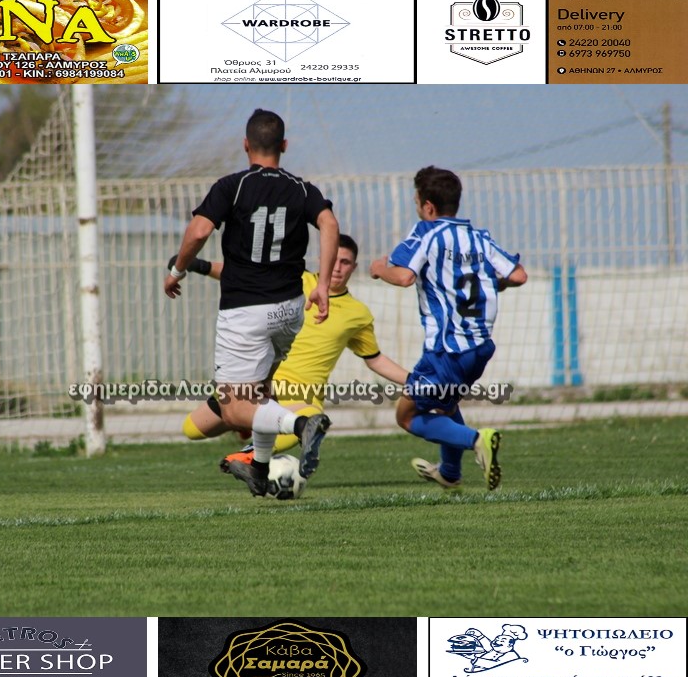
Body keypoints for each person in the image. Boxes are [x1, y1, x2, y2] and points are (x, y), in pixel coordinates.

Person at [164, 109, 340, 497]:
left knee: (233, 408)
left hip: (246, 312)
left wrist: (178, 269)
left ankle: (301, 425)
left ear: (246, 145)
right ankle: (259, 469)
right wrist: (324, 285)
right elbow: (329, 223)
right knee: (260, 393)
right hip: (290, 310)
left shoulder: (233, 186)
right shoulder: (301, 189)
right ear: (284, 146)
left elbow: (199, 230)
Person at [173, 234, 410, 467]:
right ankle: (247, 422)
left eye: (345, 262)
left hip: (303, 396)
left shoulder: (358, 313)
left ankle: (250, 455)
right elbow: (246, 277)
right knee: (192, 429)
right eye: (334, 259)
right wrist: (200, 266)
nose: (338, 267)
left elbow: (375, 359)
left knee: (309, 421)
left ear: (354, 267)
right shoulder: (295, 279)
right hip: (260, 381)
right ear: (323, 258)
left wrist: (415, 381)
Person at [370, 166, 527, 490]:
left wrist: (379, 269)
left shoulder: (427, 233)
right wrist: (493, 284)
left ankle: (476, 439)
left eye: (416, 202)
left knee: (407, 416)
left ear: (428, 206)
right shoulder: (479, 238)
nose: (417, 208)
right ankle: (450, 473)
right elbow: (518, 275)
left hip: (446, 352)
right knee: (445, 404)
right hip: (480, 348)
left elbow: (404, 276)